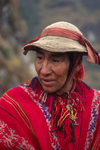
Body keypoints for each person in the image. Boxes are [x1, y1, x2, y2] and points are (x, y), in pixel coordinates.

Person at [0, 21, 100, 150]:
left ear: (77, 65)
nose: (44, 70)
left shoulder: (96, 106)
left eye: (55, 60)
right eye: (40, 58)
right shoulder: (13, 104)